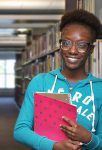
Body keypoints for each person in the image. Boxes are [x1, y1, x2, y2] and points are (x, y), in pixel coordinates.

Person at [13, 9, 102, 150]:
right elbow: (21, 130)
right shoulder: (40, 82)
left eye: (81, 45)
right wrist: (53, 146)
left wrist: (89, 139)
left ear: (91, 49)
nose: (72, 50)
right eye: (66, 43)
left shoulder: (99, 89)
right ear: (60, 45)